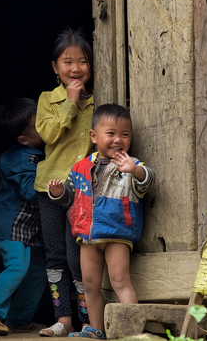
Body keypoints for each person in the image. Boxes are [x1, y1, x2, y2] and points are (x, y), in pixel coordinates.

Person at [48, 104, 156, 339]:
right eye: (111, 133)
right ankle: (95, 329)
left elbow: (148, 181)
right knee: (89, 285)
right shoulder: (80, 167)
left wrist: (134, 170)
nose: (118, 140)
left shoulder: (130, 164)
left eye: (125, 134)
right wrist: (58, 193)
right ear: (94, 137)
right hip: (87, 237)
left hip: (117, 234)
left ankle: (132, 331)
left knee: (120, 282)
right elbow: (71, 198)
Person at [34, 27, 94, 337]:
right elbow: (48, 135)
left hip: (82, 193)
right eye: (67, 62)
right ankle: (63, 319)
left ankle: (86, 320)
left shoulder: (96, 104)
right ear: (55, 67)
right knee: (55, 255)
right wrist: (70, 102)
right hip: (50, 189)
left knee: (78, 256)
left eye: (82, 61)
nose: (75, 69)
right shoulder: (48, 100)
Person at [0, 98, 47, 336]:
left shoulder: (38, 155)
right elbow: (30, 192)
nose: (47, 125)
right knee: (18, 267)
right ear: (24, 140)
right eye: (40, 125)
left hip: (30, 230)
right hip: (10, 227)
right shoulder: (18, 158)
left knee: (37, 273)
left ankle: (18, 319)